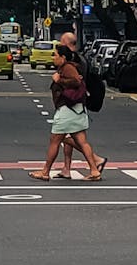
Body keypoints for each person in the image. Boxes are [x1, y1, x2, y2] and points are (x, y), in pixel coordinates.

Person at [29, 34, 102, 182]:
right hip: (77, 109)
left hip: (68, 109)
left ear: (63, 57)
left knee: (55, 140)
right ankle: (94, 170)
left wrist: (59, 80)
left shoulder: (68, 67)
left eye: (55, 55)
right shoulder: (70, 65)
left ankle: (45, 171)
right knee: (81, 141)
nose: (53, 58)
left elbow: (75, 81)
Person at [51, 37, 106, 180]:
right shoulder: (77, 59)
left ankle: (94, 161)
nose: (60, 45)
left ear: (70, 44)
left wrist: (59, 81)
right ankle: (69, 168)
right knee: (72, 138)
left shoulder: (73, 61)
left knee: (62, 137)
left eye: (63, 43)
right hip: (75, 104)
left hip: (73, 104)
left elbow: (77, 81)